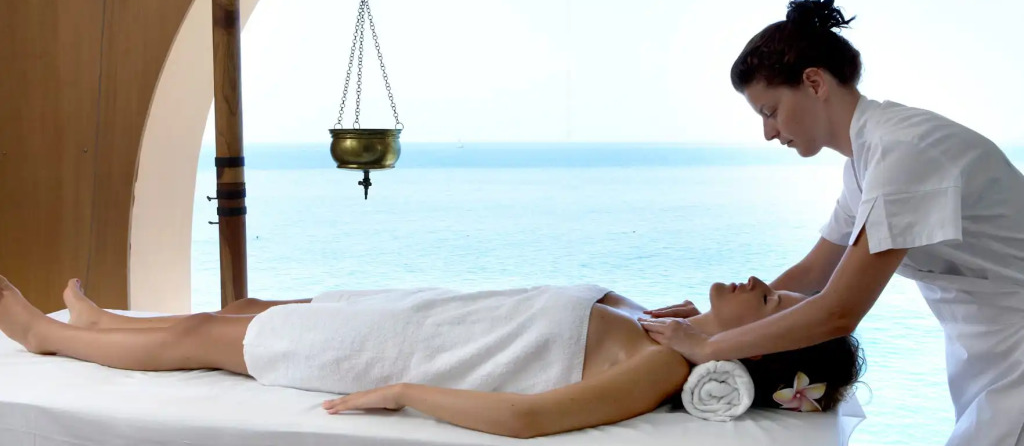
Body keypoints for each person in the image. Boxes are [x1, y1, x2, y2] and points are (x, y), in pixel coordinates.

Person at [639, 0, 1024, 446]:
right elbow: (812, 274)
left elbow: (839, 311)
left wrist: (706, 345)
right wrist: (713, 322)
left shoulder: (903, 153)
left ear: (814, 82)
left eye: (770, 111)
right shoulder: (866, 163)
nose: (768, 132)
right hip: (991, 349)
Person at [0, 274, 861, 438]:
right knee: (248, 309)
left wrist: (407, 390)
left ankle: (52, 336)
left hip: (410, 346)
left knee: (213, 342)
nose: (762, 283)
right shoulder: (674, 331)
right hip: (435, 310)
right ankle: (103, 322)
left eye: (773, 306)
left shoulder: (667, 366)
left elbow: (527, 418)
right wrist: (655, 315)